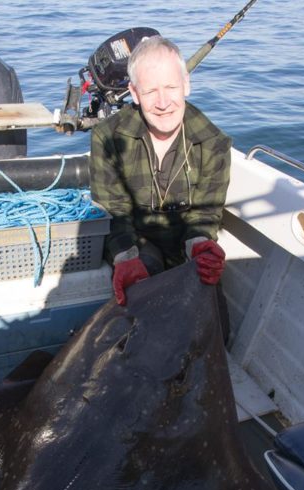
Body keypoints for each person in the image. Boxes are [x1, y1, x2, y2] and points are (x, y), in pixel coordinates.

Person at [90, 35, 231, 321]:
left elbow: (206, 214)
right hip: (135, 243)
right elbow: (114, 211)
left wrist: (200, 245)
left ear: (186, 85)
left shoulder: (213, 142)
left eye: (171, 87)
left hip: (183, 244)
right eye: (151, 90)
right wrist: (126, 257)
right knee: (144, 297)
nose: (164, 102)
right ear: (134, 92)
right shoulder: (108, 137)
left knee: (216, 320)